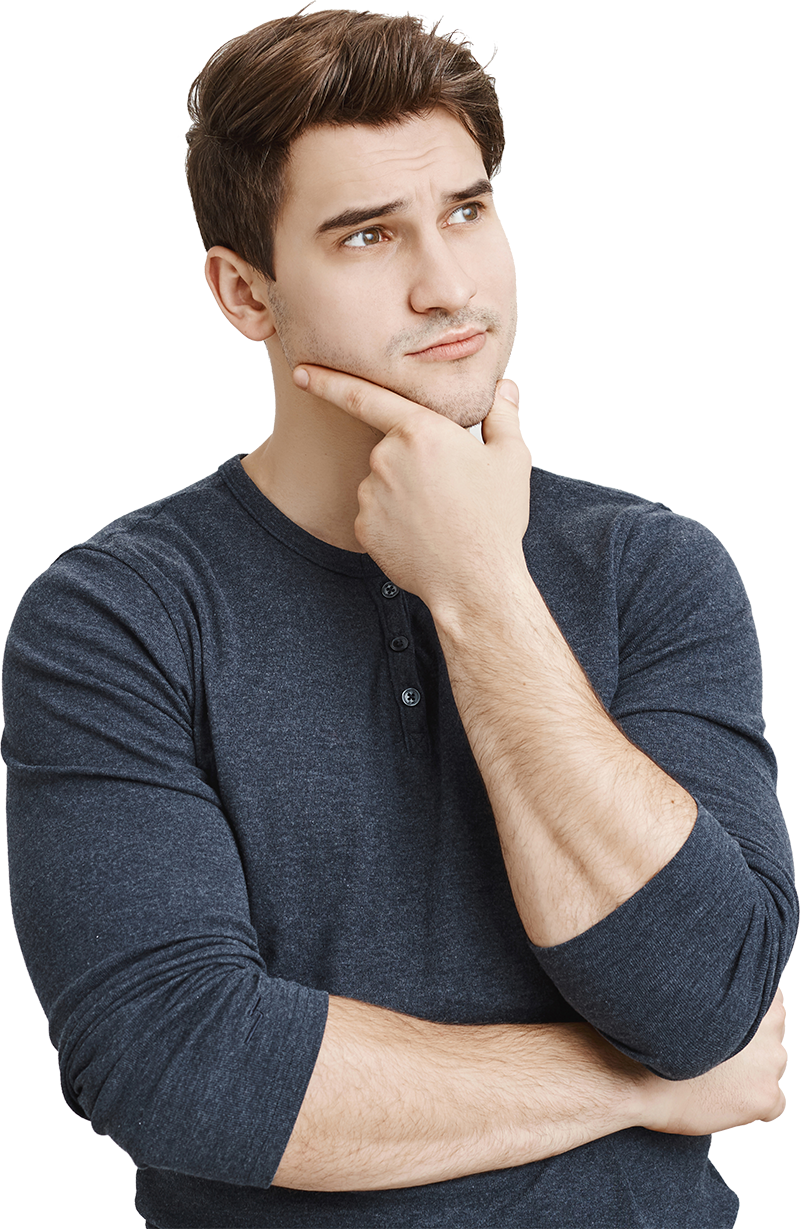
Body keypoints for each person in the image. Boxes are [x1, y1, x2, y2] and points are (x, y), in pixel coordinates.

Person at [2, 10, 796, 1229]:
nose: (447, 285)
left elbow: (705, 999)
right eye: (368, 235)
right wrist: (632, 1085)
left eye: (465, 213)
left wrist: (479, 585)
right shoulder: (116, 618)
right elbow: (175, 1061)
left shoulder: (650, 570)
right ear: (244, 291)